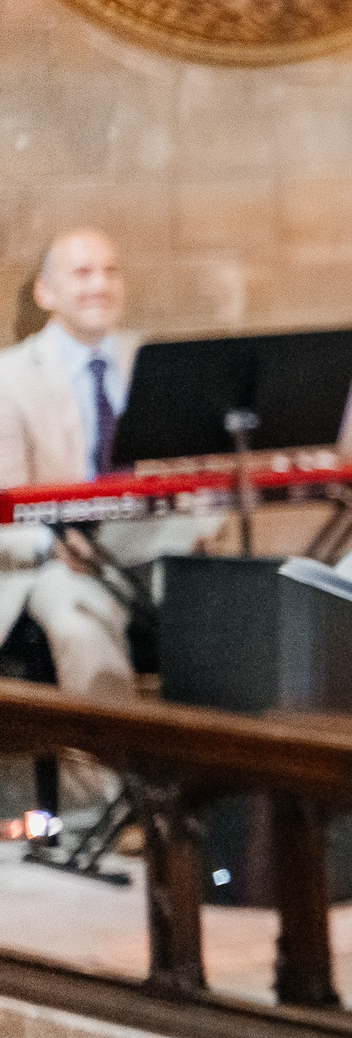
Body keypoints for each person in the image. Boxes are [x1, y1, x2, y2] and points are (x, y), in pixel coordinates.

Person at [0, 230, 152, 700]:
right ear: (45, 293)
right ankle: (104, 773)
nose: (100, 285)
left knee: (233, 603)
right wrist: (53, 542)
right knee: (81, 627)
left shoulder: (148, 359)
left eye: (111, 271)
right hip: (57, 559)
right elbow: (4, 502)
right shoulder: (11, 376)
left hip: (145, 547)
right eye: (82, 273)